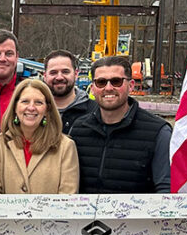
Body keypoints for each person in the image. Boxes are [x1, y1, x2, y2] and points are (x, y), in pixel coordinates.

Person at [68, 56, 172, 193]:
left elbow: (166, 189)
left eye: (116, 81)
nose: (109, 88)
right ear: (92, 88)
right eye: (101, 82)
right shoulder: (79, 129)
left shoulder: (158, 132)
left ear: (131, 85)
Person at [0, 79, 79, 194]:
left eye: (38, 102)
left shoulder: (66, 147)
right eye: (25, 101)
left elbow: (67, 197)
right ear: (15, 107)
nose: (31, 107)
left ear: (47, 110)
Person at [43, 49, 95, 132]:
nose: (59, 77)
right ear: (45, 76)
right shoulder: (34, 110)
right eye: (53, 73)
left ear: (76, 74)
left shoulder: (95, 111)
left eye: (65, 72)